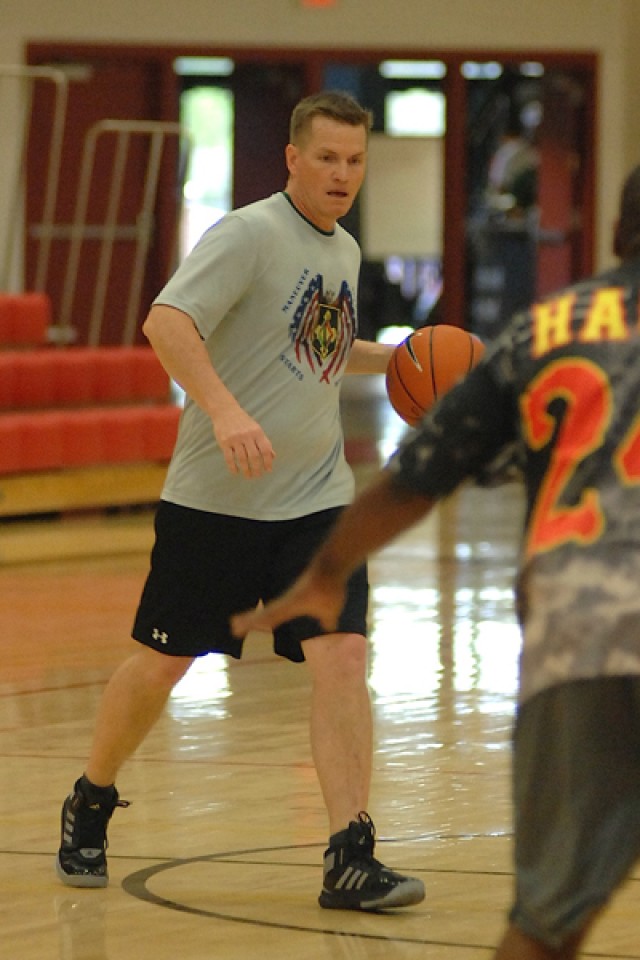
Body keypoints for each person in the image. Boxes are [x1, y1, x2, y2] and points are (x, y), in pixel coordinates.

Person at [232, 164, 640, 958]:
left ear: (620, 232)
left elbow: (415, 478)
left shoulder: (546, 329)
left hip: (581, 634)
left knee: (547, 922)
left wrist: (325, 571)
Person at [55, 90, 425, 914]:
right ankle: (90, 796)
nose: (341, 173)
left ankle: (350, 856)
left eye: (355, 160)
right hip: (217, 504)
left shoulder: (346, 251)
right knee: (163, 664)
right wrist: (223, 411)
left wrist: (405, 361)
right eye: (326, 157)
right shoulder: (249, 233)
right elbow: (167, 323)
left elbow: (316, 351)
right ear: (291, 158)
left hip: (318, 500)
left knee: (343, 658)